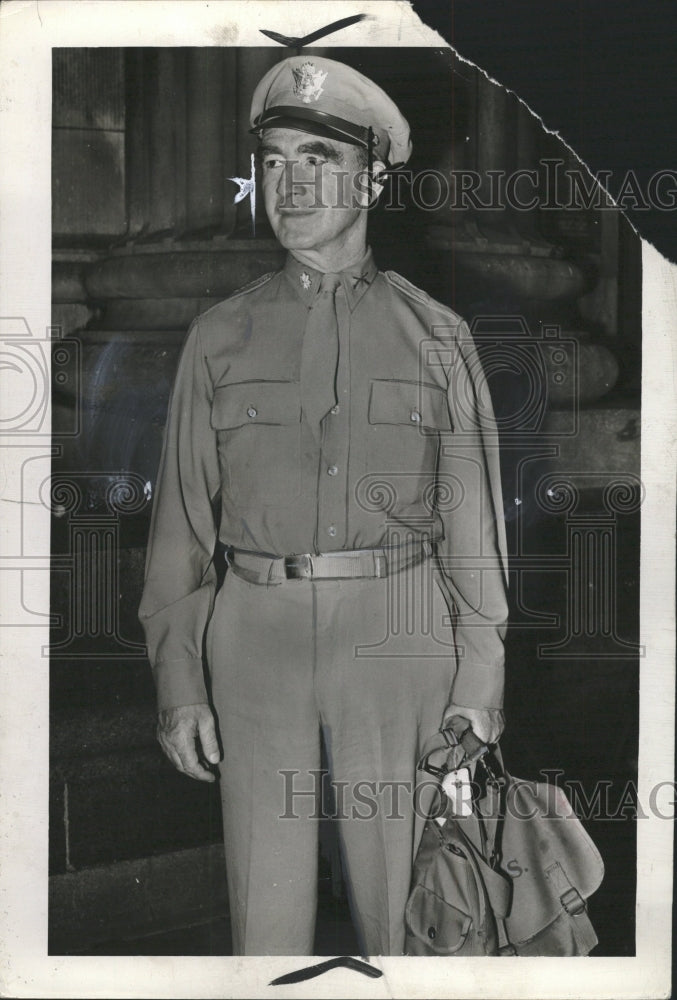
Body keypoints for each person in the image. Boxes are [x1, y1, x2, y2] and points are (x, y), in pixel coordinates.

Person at [139, 54, 509, 957]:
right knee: (265, 915)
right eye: (272, 160)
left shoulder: (437, 336)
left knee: (414, 907)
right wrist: (179, 682)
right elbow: (180, 533)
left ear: (373, 177)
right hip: (254, 632)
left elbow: (474, 532)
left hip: (401, 630)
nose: (291, 182)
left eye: (319, 157)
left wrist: (478, 685)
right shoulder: (218, 336)